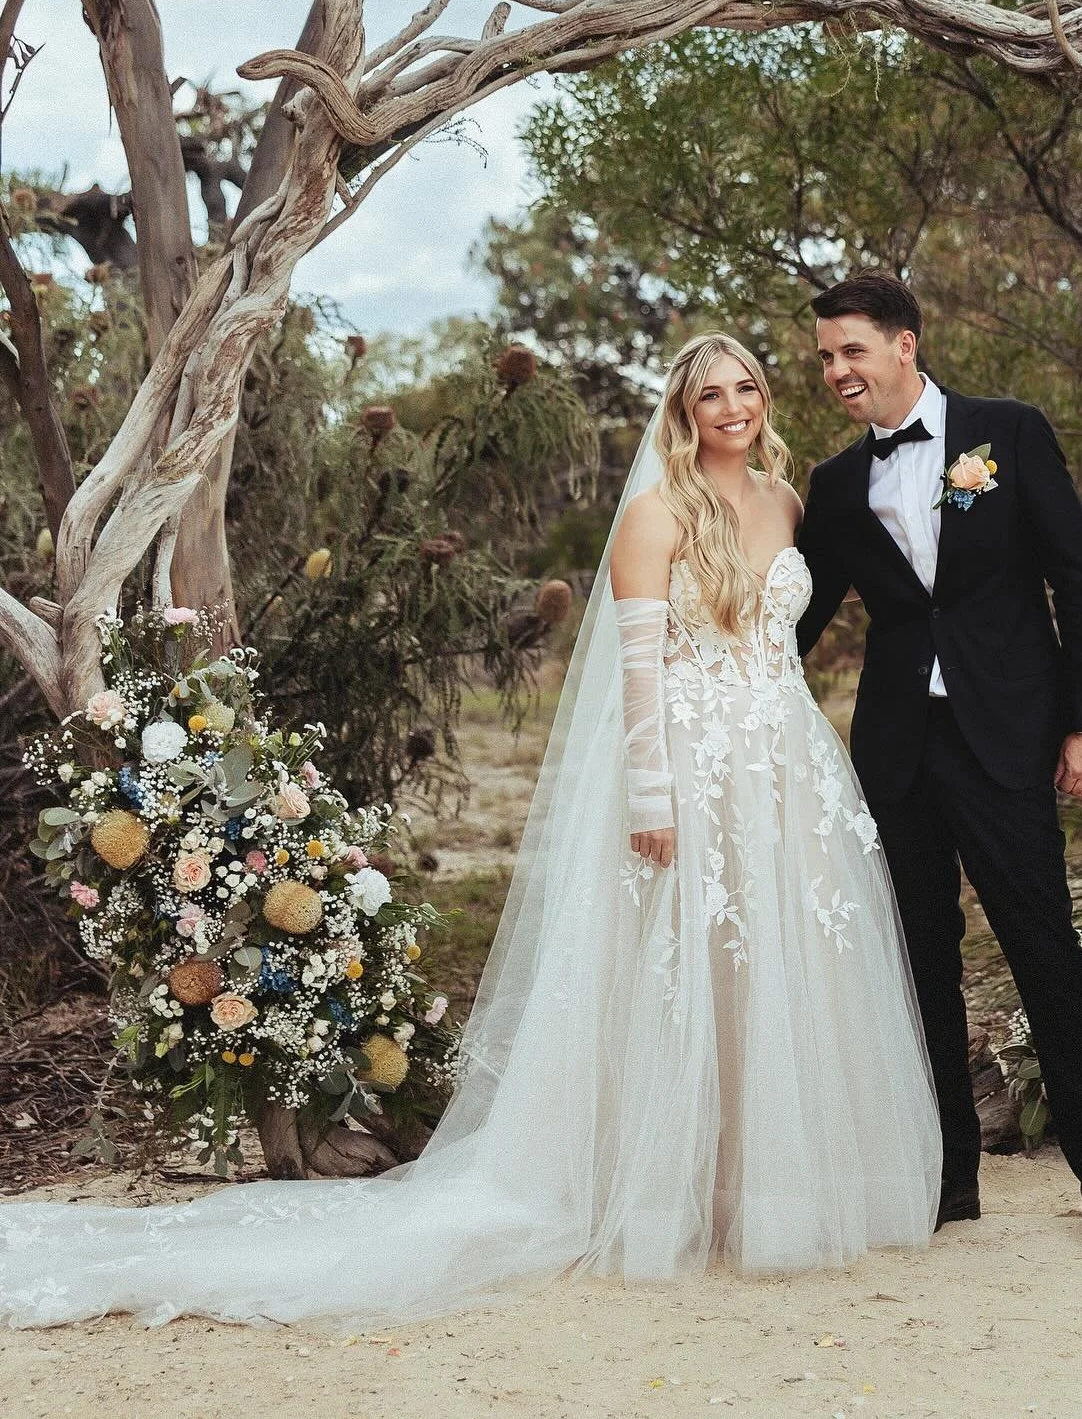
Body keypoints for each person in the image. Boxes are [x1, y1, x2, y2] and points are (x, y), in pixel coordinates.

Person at [0, 334, 940, 1330]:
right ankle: (660, 1190)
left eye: (748, 384)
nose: (734, 403)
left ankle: (759, 1189)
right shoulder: (655, 513)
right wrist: (655, 797)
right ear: (683, 408)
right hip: (693, 771)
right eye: (712, 392)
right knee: (681, 969)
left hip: (784, 769)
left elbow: (783, 641)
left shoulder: (786, 501)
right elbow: (637, 675)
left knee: (771, 969)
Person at [796, 272, 1082, 1256]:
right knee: (918, 963)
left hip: (1009, 735)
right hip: (897, 750)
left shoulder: (1010, 432)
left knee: (1044, 949)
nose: (835, 370)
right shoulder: (831, 488)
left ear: (905, 343)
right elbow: (798, 622)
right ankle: (948, 1172)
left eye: (851, 349)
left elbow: (1075, 577)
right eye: (823, 355)